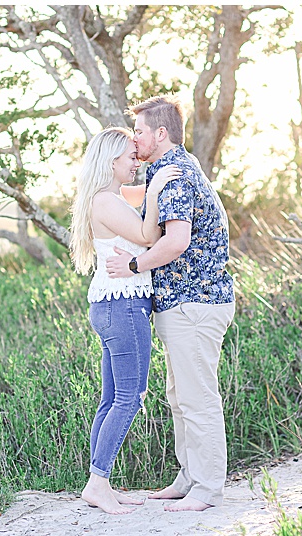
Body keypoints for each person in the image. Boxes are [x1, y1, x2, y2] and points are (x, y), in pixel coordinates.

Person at [106, 95, 235, 513]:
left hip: (195, 302)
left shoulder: (175, 176)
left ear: (160, 134)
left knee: (197, 398)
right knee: (180, 396)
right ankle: (189, 476)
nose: (135, 140)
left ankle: (208, 487)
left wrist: (133, 264)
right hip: (186, 303)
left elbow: (176, 240)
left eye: (139, 132)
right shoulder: (172, 169)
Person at [69, 127, 181, 515]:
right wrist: (154, 189)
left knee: (111, 399)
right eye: (131, 157)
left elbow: (135, 207)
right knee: (130, 397)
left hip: (111, 304)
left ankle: (100, 483)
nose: (137, 162)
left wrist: (151, 181)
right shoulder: (105, 201)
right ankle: (98, 484)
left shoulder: (108, 197)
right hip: (124, 305)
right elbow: (148, 235)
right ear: (112, 161)